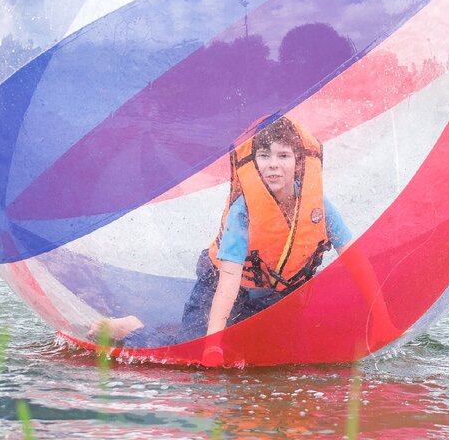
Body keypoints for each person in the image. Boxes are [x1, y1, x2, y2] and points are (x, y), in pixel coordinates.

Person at [99, 116, 352, 351]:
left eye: (283, 155)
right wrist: (212, 346)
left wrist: (380, 313)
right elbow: (227, 283)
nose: (273, 164)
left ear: (298, 161)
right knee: (191, 350)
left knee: (268, 354)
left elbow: (353, 257)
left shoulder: (316, 203)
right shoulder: (242, 211)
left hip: (273, 297)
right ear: (254, 163)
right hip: (219, 285)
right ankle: (131, 329)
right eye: (264, 156)